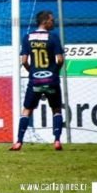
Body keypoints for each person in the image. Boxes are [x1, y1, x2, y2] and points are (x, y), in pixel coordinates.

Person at [11, 10, 65, 151]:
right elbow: (60, 59)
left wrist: (33, 73)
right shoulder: (53, 37)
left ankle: (19, 142)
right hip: (51, 79)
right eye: (52, 20)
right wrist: (55, 72)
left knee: (27, 110)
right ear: (45, 21)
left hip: (35, 81)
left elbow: (24, 61)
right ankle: (57, 140)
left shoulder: (27, 37)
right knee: (56, 109)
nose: (53, 22)